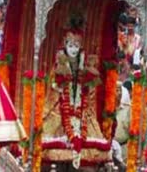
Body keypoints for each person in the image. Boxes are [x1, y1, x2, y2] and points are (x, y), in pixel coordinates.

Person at [42, 14, 110, 169]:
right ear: (65, 45)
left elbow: (91, 94)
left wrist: (87, 84)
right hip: (60, 110)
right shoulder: (58, 64)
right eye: (71, 45)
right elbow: (52, 90)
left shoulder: (87, 66)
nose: (73, 49)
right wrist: (58, 86)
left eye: (76, 46)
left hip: (82, 112)